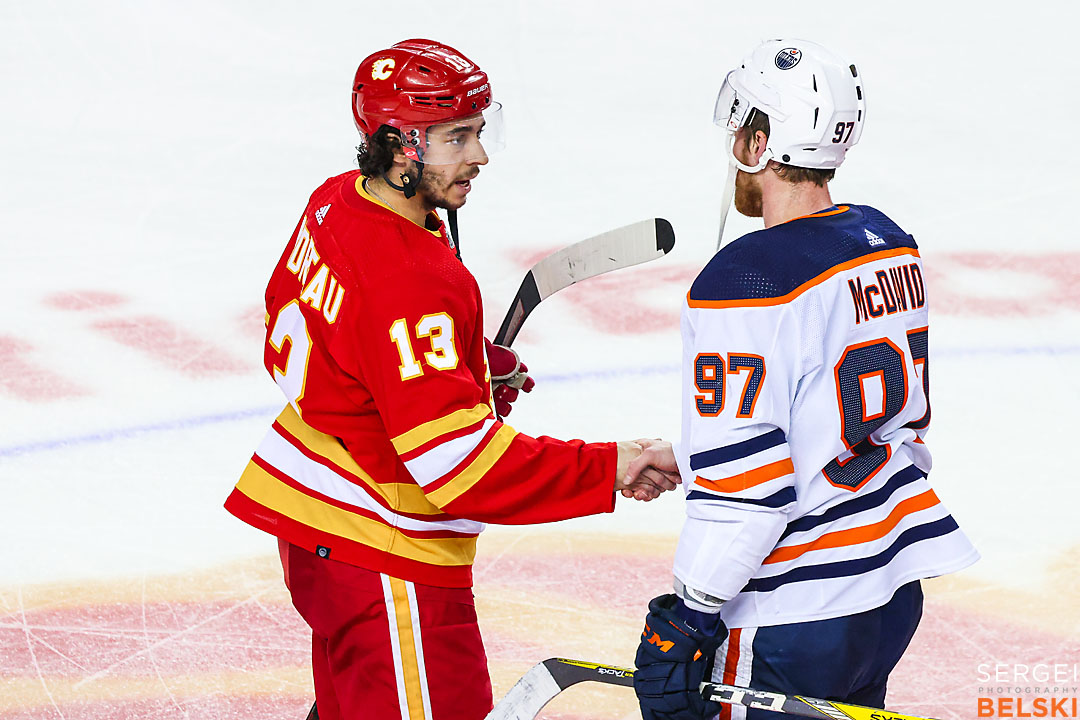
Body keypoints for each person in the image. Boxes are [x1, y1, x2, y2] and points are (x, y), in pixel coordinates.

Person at [223, 39, 676, 720]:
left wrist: (452, 367)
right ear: (401, 144)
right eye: (456, 137)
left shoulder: (337, 202)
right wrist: (611, 465)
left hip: (315, 534)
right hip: (384, 552)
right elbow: (461, 470)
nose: (479, 156)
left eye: (478, 131)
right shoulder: (413, 281)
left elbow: (310, 328)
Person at [628, 39, 979, 720]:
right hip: (888, 592)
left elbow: (749, 489)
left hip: (794, 608)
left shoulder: (747, 280)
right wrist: (691, 453)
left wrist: (691, 610)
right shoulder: (887, 241)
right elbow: (827, 406)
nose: (733, 140)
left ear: (760, 141)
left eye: (742, 126)